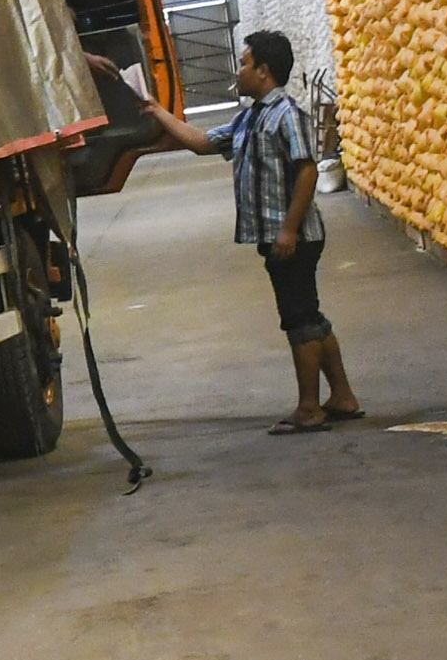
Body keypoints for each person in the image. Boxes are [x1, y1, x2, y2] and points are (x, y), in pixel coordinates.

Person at [135, 29, 362, 433]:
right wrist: (157, 111)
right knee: (308, 315)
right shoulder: (251, 116)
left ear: (263, 71)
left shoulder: (286, 114)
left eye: (243, 63)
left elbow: (307, 170)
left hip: (295, 238)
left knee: (299, 320)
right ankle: (342, 397)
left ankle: (309, 409)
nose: (238, 71)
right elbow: (203, 142)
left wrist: (289, 231)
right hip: (277, 237)